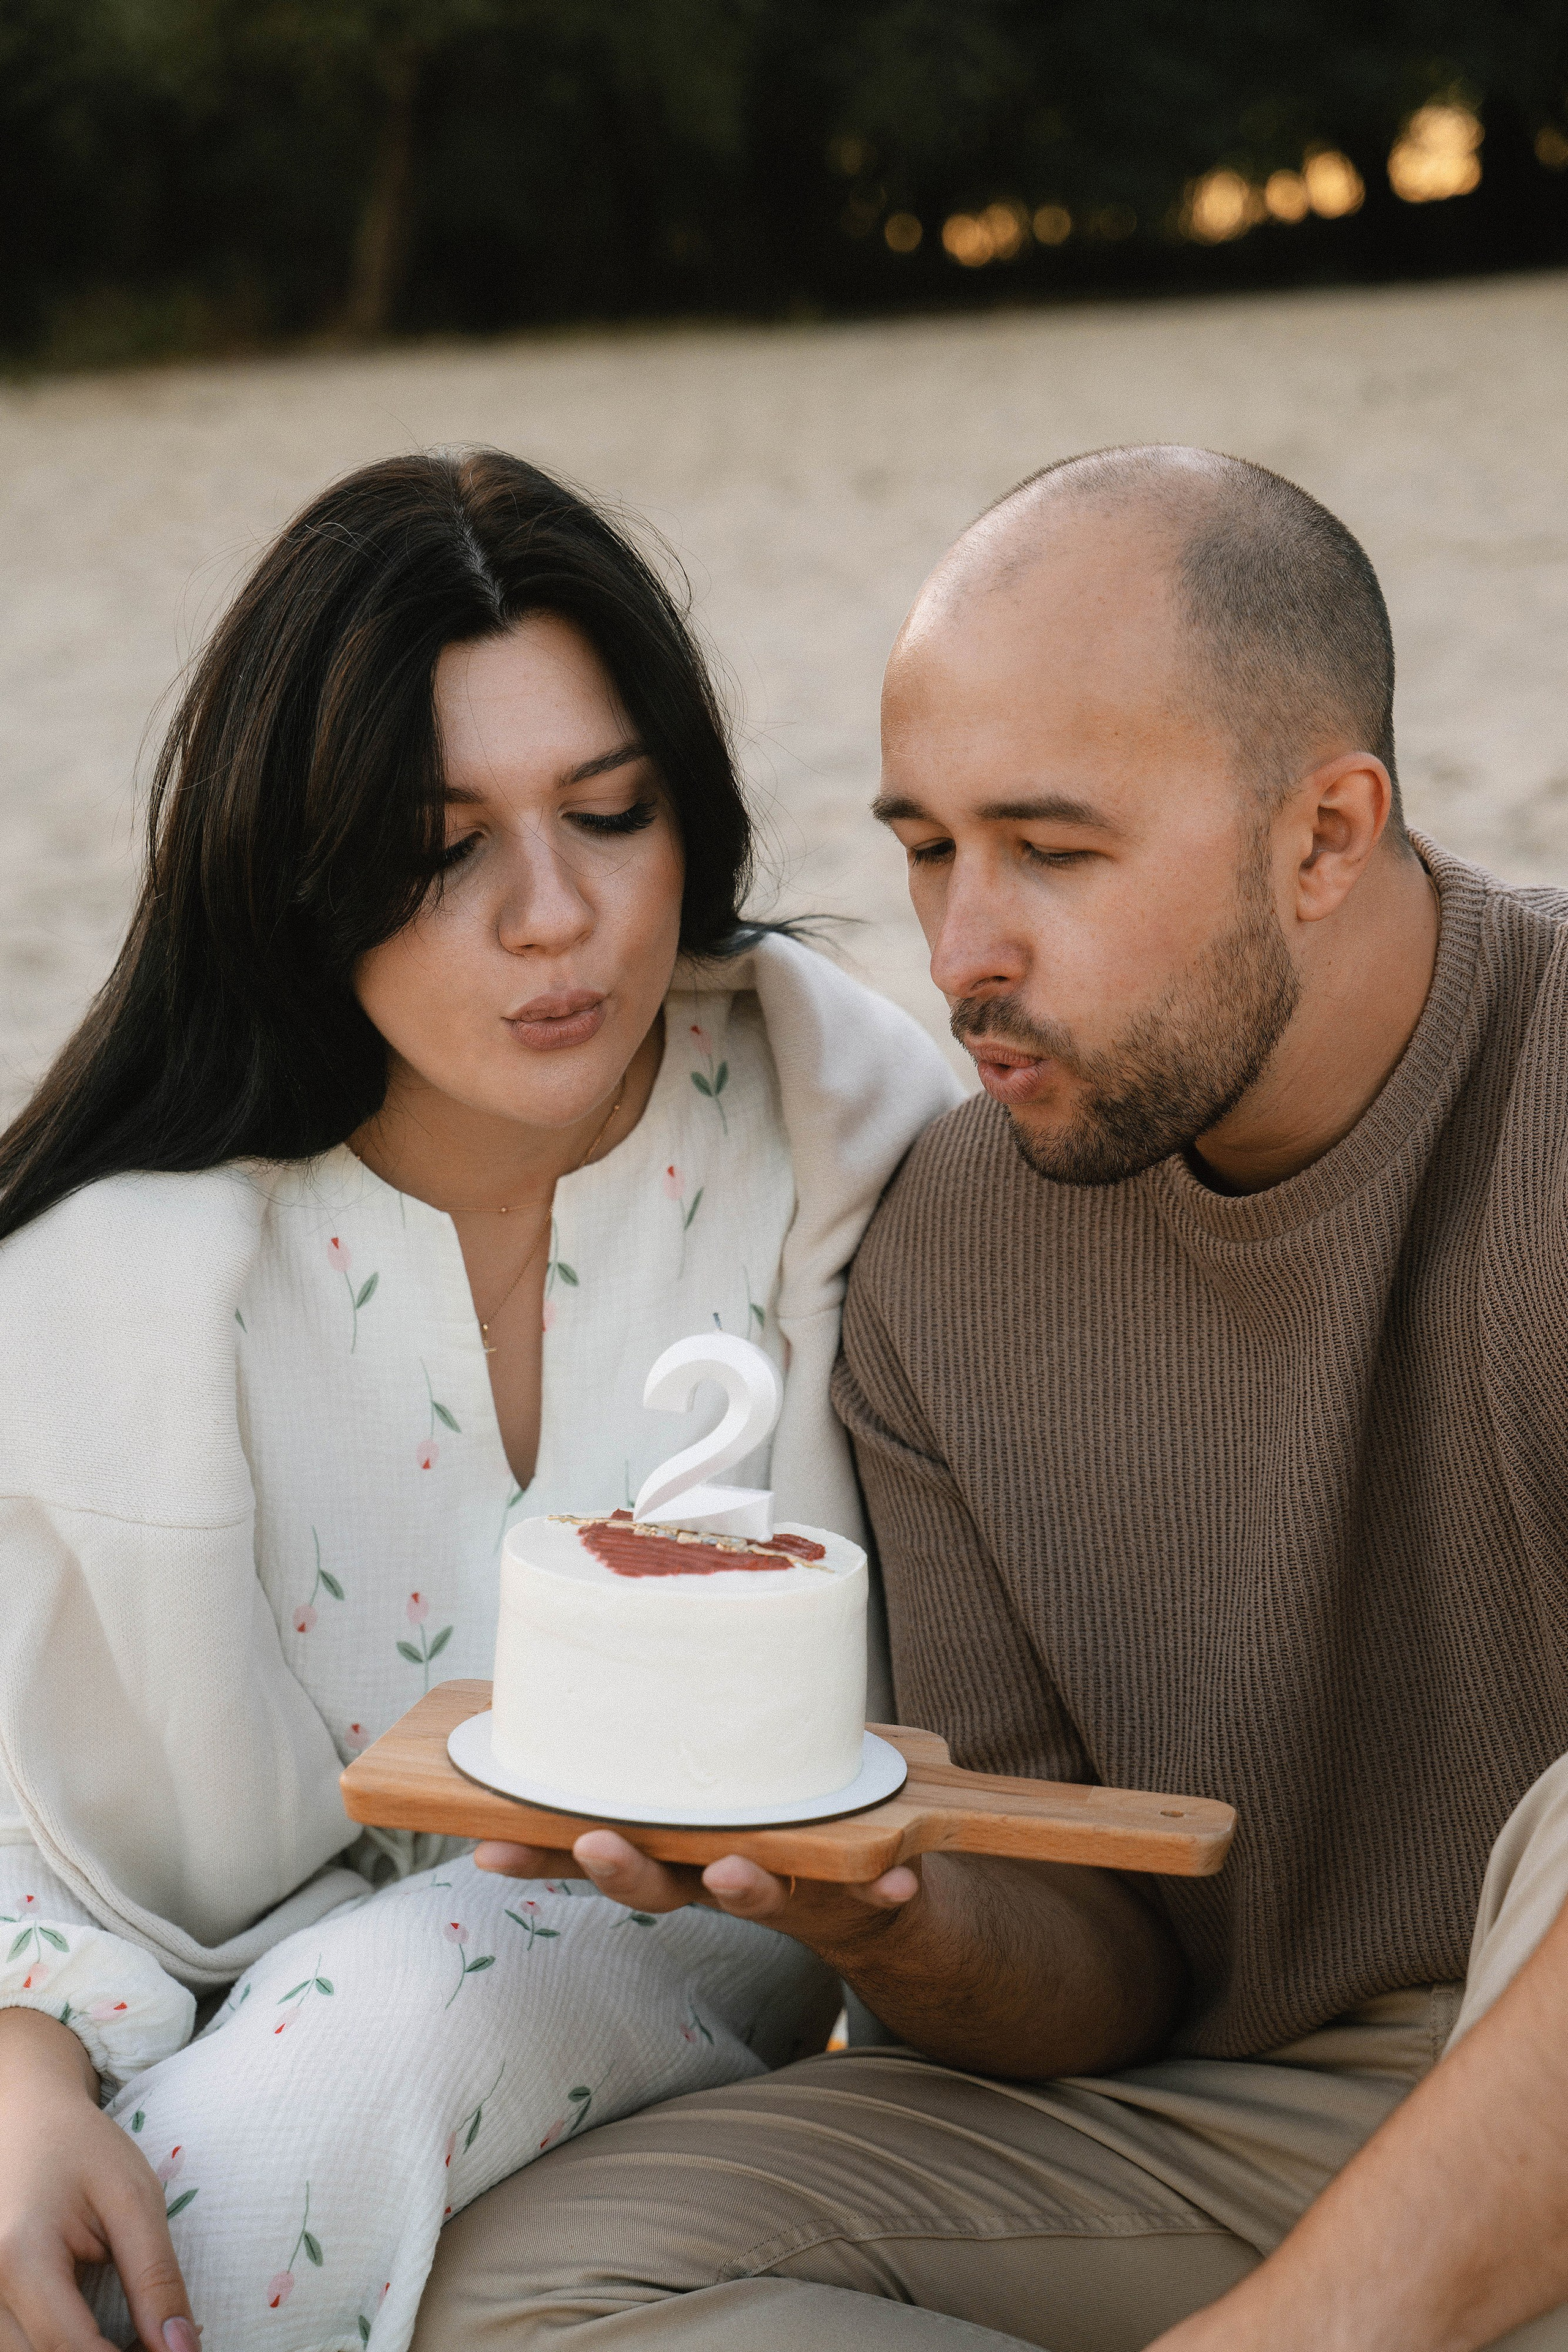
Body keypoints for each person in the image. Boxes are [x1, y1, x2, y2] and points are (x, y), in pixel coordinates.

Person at [418, 445, 1568, 2352]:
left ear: (1327, 832)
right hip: (1260, 2124)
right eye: (928, 848)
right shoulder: (949, 1259)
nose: (963, 956)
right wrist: (890, 1917)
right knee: (517, 2285)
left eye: (1054, 848)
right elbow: (1093, 1977)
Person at [0, 450, 960, 2352]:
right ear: (302, 867)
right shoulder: (125, 1279)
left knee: (383, 2035)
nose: (552, 915)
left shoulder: (843, 1130)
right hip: (172, 2016)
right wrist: (24, 2074)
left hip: (676, 1964)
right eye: (444, 846)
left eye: (610, 814)